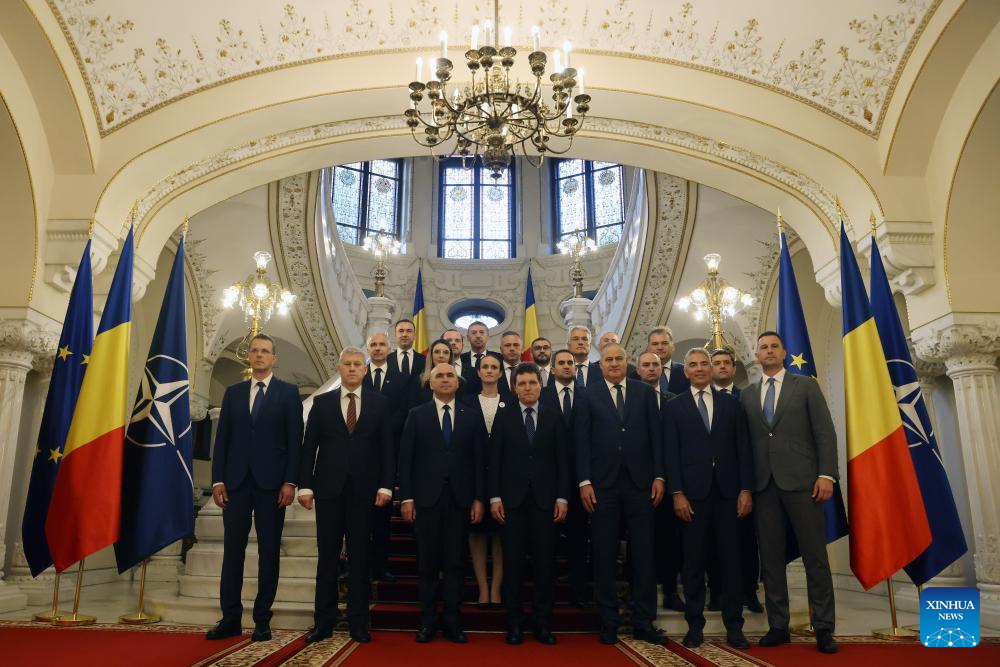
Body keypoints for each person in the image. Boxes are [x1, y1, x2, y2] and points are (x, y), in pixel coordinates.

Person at [741, 332, 839, 654]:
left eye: (774, 346)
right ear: (756, 355)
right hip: (764, 487)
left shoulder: (805, 386)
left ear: (784, 352)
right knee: (771, 560)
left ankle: (823, 627)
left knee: (815, 557)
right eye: (763, 347)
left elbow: (824, 432)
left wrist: (826, 475)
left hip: (803, 484)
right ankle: (778, 625)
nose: (769, 351)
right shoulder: (748, 395)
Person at [207, 334, 303, 642]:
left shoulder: (288, 393)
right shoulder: (233, 393)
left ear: (274, 358)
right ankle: (230, 619)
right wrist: (218, 480)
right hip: (235, 484)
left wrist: (290, 481)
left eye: (265, 351)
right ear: (248, 356)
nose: (259, 355)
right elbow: (222, 439)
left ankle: (262, 620)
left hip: (272, 486)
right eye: (255, 350)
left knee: (268, 552)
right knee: (232, 552)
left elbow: (295, 442)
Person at [297, 347, 395, 644]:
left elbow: (387, 449)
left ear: (365, 370)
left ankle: (358, 622)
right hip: (328, 490)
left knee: (360, 558)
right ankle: (323, 622)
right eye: (347, 364)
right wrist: (305, 486)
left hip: (365, 491)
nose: (352, 368)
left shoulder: (380, 403)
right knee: (327, 557)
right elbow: (308, 447)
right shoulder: (322, 403)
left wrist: (386, 485)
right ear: (339, 368)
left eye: (357, 364)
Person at [576, 343, 668, 646]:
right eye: (608, 359)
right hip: (602, 486)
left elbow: (656, 436)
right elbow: (581, 440)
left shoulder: (644, 393)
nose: (614, 363)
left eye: (619, 359)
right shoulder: (587, 394)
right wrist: (584, 481)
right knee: (603, 554)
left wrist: (659, 475)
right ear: (600, 365)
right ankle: (609, 621)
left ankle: (644, 621)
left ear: (627, 362)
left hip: (641, 485)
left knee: (644, 554)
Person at [664, 348, 753, 650]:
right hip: (691, 497)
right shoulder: (674, 407)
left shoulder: (732, 405)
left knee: (731, 562)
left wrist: (746, 489)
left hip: (729, 495)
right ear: (685, 371)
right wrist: (677, 493)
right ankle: (694, 626)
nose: (700, 368)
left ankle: (734, 626)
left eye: (705, 363)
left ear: (712, 369)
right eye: (694, 365)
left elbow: (743, 449)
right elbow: (670, 454)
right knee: (693, 564)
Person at [398, 363, 486, 644]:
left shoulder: (472, 416)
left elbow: (479, 461)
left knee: (455, 564)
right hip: (426, 500)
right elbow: (406, 460)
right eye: (440, 376)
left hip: (460, 500)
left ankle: (452, 621)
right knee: (427, 565)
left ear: (458, 383)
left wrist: (478, 498)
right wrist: (407, 498)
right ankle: (427, 622)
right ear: (431, 383)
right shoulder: (416, 415)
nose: (446, 379)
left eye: (450, 376)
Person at [490, 363, 569, 645]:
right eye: (521, 383)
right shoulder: (504, 417)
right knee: (513, 566)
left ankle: (542, 623)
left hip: (546, 503)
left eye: (532, 383)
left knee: (545, 565)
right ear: (514, 388)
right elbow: (494, 460)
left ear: (540, 385)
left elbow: (563, 461)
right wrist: (495, 497)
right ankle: (514, 624)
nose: (527, 388)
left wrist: (562, 497)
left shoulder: (554, 417)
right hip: (511, 503)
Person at [708, 348, 763, 614]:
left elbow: (749, 444)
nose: (721, 367)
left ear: (733, 368)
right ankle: (717, 592)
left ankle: (749, 592)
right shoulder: (702, 398)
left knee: (746, 542)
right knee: (714, 543)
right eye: (716, 363)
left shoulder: (748, 398)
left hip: (741, 482)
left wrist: (747, 486)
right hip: (709, 485)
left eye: (726, 363)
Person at [541, 349, 592, 608]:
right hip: (548, 478)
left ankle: (578, 589)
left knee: (579, 537)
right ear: (552, 369)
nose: (566, 366)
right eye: (560, 363)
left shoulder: (588, 395)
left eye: (570, 363)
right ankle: (547, 591)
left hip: (580, 479)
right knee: (546, 538)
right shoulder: (542, 395)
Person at [636, 350, 685, 611]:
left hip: (669, 478)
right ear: (638, 370)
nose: (651, 369)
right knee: (639, 540)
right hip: (637, 481)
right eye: (646, 365)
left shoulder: (673, 400)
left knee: (670, 538)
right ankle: (638, 594)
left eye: (655, 365)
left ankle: (670, 591)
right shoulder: (629, 399)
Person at [365, 332, 409, 583]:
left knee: (382, 518)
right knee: (358, 517)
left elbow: (403, 412)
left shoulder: (401, 378)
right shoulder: (358, 375)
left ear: (389, 349)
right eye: (373, 344)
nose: (378, 348)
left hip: (388, 451)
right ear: (368, 349)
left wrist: (380, 429)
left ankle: (381, 566)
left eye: (382, 344)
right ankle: (357, 565)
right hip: (361, 453)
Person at [465, 354, 505, 609]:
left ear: (500, 373)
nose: (489, 371)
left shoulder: (511, 401)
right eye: (485, 367)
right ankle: (482, 588)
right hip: (474, 475)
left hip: (504, 476)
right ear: (478, 372)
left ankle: (496, 588)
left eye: (494, 367)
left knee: (501, 534)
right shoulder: (466, 402)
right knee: (477, 532)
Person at [409, 339, 465, 407]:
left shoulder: (460, 382)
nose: (441, 356)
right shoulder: (419, 381)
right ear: (431, 355)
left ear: (450, 356)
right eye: (437, 352)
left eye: (446, 352)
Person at [647, 326, 689, 395]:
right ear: (648, 348)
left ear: (673, 347)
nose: (660, 347)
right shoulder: (636, 375)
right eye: (655, 344)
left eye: (664, 343)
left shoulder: (686, 372)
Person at [498, 331, 524, 402]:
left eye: (516, 345)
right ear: (501, 350)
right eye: (507, 345)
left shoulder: (531, 371)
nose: (512, 348)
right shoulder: (494, 372)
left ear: (522, 349)